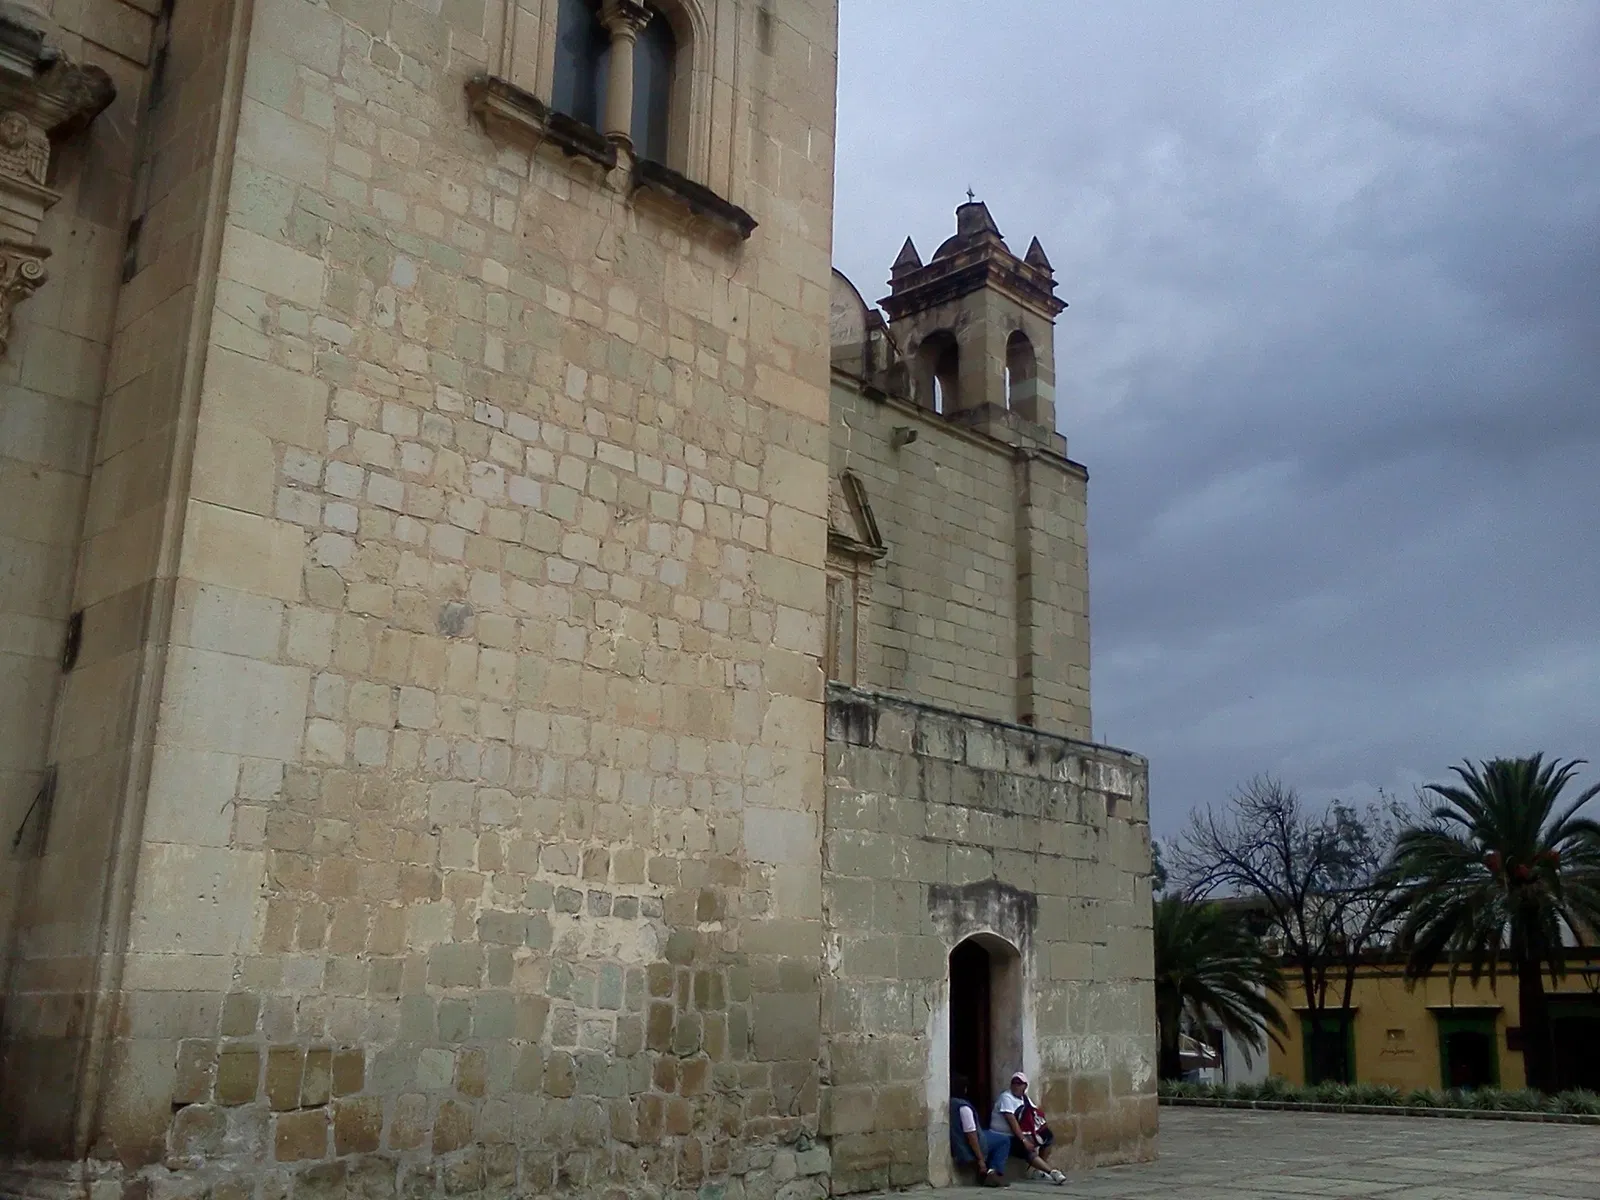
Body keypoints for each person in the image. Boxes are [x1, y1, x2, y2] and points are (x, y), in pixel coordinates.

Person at [991, 1071, 1065, 1185]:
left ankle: (1039, 1171)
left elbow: (1034, 1113)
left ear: (1025, 1086)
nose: (1016, 1086)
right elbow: (1012, 1121)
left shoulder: (1025, 1099)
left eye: (1019, 1084)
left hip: (1020, 1133)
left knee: (1048, 1137)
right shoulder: (1006, 1098)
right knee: (1027, 1149)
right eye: (1014, 1083)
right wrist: (1024, 1140)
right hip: (1005, 1136)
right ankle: (1052, 1172)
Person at [950, 1074, 1009, 1187]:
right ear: (964, 1089)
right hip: (965, 1145)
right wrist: (981, 1160)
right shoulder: (964, 1108)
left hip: (959, 1140)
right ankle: (993, 1173)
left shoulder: (951, 1103)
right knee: (1004, 1140)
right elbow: (971, 1135)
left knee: (990, 1134)